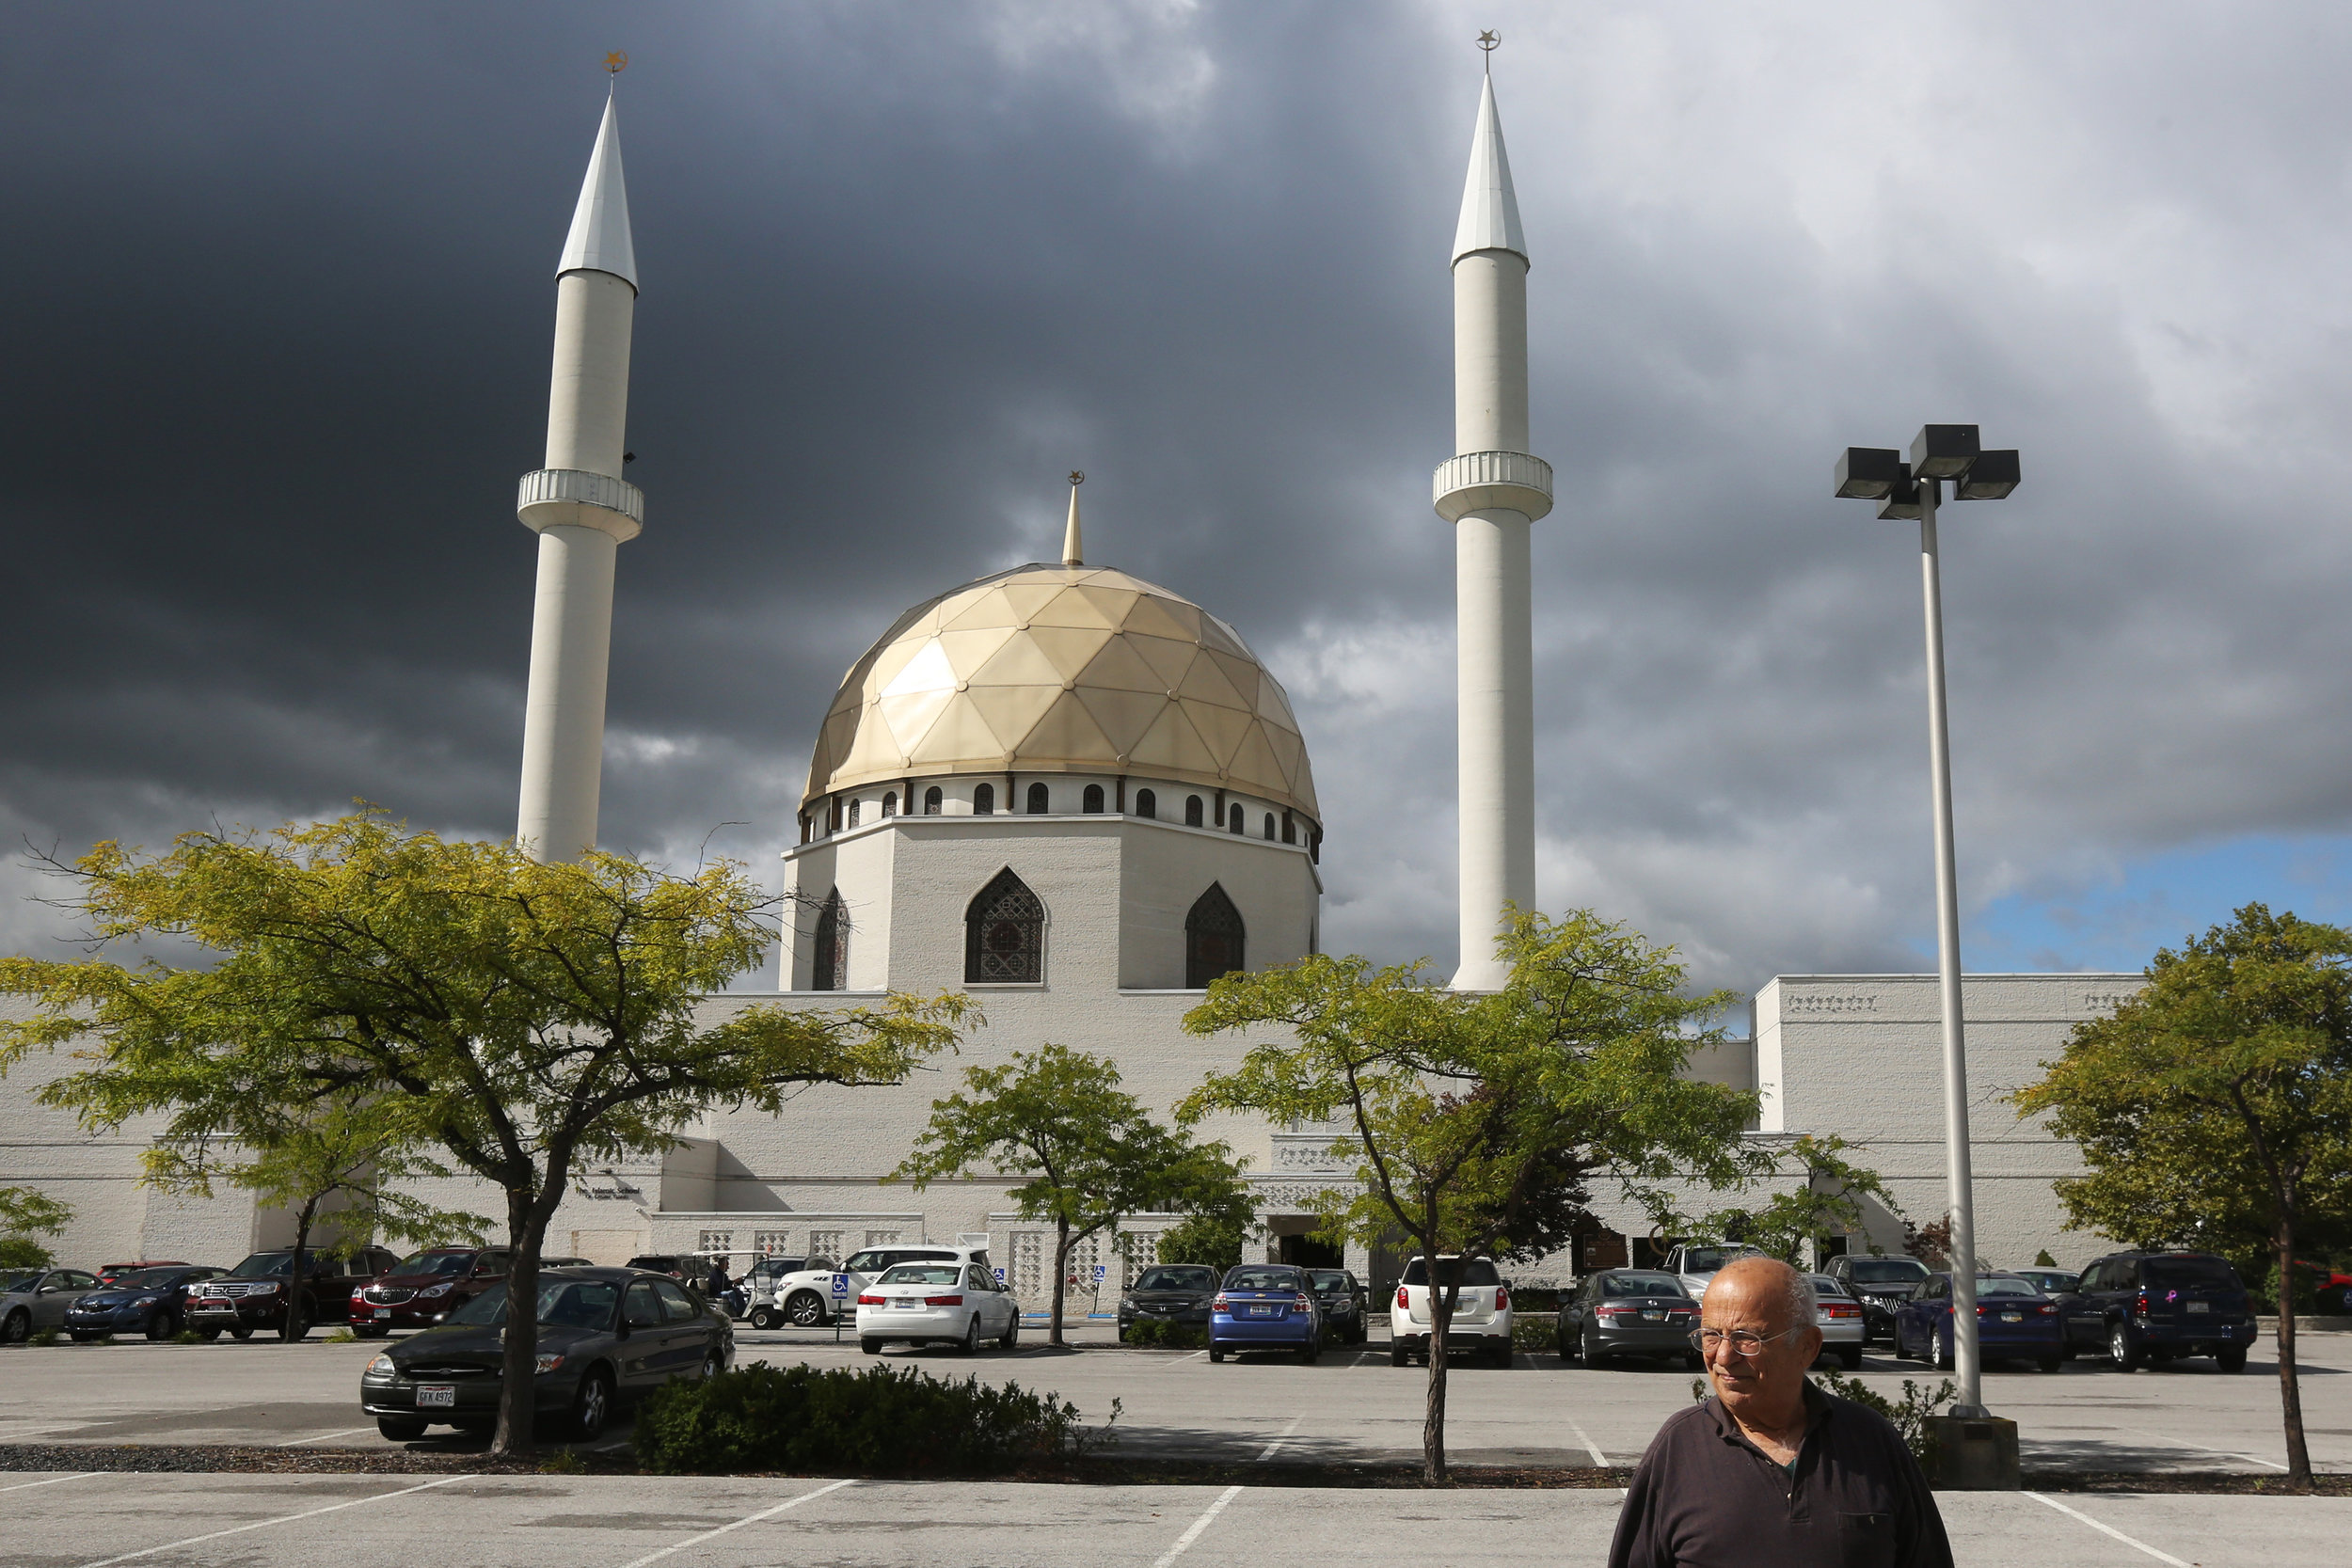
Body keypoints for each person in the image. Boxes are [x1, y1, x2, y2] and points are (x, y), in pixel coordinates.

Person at [1608, 1255, 1952, 1568]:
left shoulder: (1870, 1440)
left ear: (1807, 1346)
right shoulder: (1679, 1448)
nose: (1724, 1357)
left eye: (1747, 1338)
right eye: (1711, 1335)